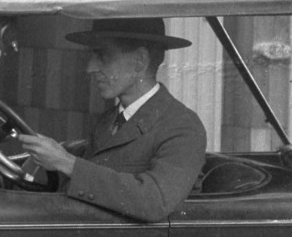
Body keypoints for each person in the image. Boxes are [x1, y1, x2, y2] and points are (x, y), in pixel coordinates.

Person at [20, 17, 208, 222]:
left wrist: (67, 163)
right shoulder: (109, 121)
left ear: (139, 61)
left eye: (103, 56)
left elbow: (155, 201)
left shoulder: (182, 127)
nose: (90, 68)